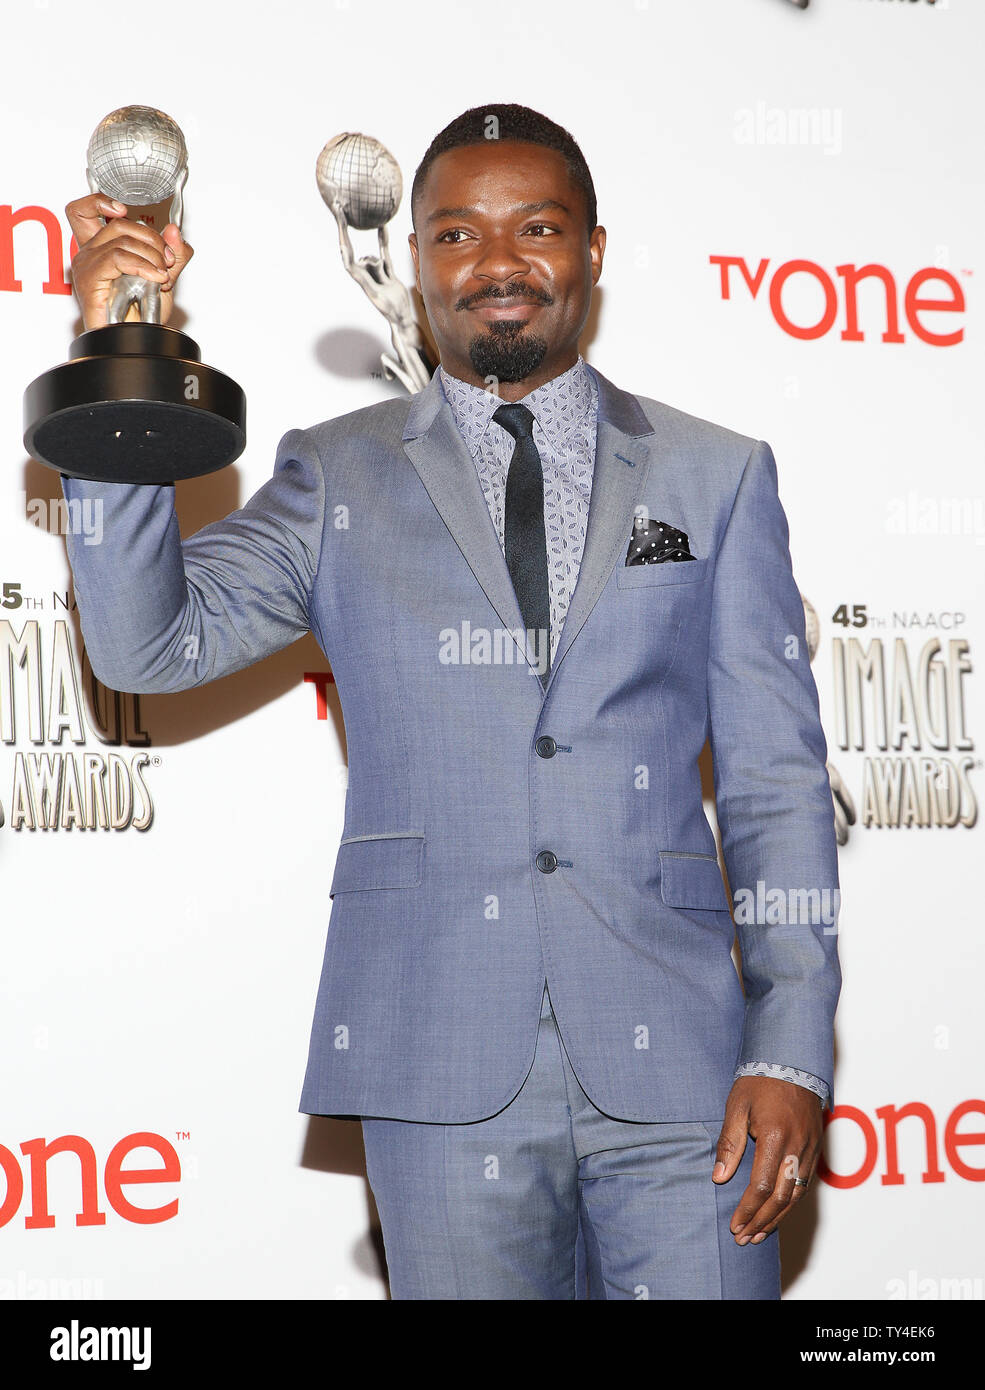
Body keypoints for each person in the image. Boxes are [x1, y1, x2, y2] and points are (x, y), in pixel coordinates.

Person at [60, 103, 840, 1300]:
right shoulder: (339, 471)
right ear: (417, 262)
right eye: (456, 235)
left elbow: (776, 783)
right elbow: (147, 643)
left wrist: (788, 1046)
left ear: (589, 249)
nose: (497, 263)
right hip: (437, 1059)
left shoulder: (716, 473)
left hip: (688, 1070)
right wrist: (120, 349)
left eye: (535, 226)